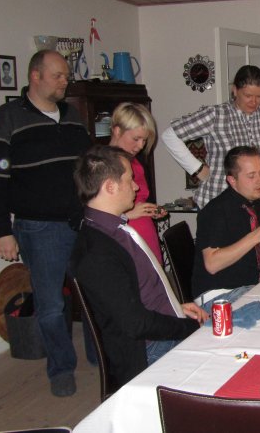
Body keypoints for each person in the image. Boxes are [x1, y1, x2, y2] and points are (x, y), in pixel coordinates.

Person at [0, 50, 91, 396]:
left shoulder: (72, 115)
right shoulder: (8, 118)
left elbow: (88, 165)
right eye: (58, 76)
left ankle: (98, 354)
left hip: (81, 221)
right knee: (51, 304)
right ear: (35, 76)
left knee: (93, 291)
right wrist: (2, 231)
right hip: (40, 228)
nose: (65, 81)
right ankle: (61, 370)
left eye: (66, 76)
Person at [70, 145, 208, 389]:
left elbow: (141, 291)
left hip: (163, 325)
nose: (136, 187)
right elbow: (135, 324)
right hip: (149, 351)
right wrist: (186, 327)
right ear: (110, 187)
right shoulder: (97, 252)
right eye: (129, 179)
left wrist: (175, 307)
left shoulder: (114, 229)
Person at [161, 65, 260, 219]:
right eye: (248, 95)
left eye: (259, 96)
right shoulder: (216, 115)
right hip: (223, 205)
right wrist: (197, 168)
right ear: (235, 90)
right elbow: (170, 136)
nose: (254, 102)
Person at [192, 146, 260, 302]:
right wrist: (256, 236)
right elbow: (212, 264)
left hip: (251, 289)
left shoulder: (258, 207)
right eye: (251, 176)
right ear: (232, 180)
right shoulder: (215, 211)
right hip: (218, 295)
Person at [109, 102, 167, 263]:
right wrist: (126, 215)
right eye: (136, 139)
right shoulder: (102, 164)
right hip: (123, 239)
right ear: (117, 131)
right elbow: (93, 216)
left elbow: (141, 200)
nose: (140, 146)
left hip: (145, 234)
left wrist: (150, 210)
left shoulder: (136, 162)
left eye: (144, 140)